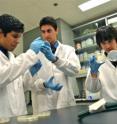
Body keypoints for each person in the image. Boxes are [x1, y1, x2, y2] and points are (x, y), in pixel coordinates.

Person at [0, 14, 62, 117]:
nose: (18, 41)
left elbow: (21, 87)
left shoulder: (12, 57)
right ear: (1, 33)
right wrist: (30, 54)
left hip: (19, 116)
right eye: (15, 36)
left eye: (19, 37)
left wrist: (30, 73)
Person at [31, 16, 81, 114]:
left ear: (56, 30)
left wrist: (55, 59)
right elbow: (31, 84)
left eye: (49, 31)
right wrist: (43, 84)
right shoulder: (36, 53)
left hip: (64, 104)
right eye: (43, 32)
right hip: (44, 106)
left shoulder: (68, 50)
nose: (46, 35)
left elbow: (75, 71)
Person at [85, 25, 117, 103]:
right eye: (103, 43)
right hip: (110, 109)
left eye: (110, 41)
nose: (108, 46)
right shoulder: (98, 63)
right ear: (100, 45)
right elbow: (92, 89)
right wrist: (94, 73)